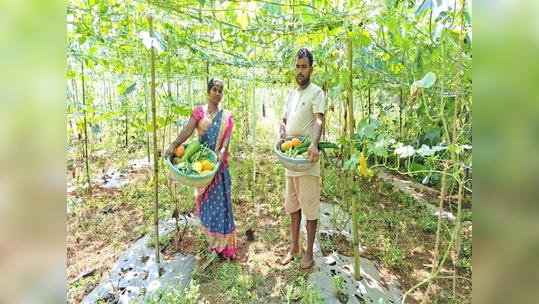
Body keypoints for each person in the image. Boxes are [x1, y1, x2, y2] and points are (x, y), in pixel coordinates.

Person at [164, 78, 237, 258]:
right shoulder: (198, 113)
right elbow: (188, 130)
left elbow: (227, 137)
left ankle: (224, 247)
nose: (217, 93)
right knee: (207, 205)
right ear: (208, 91)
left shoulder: (227, 115)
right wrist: (174, 145)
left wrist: (223, 151)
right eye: (214, 89)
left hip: (218, 164)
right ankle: (212, 242)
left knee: (222, 205)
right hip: (201, 163)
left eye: (220, 90)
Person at [280, 48, 326, 268]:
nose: (300, 71)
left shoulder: (316, 92)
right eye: (297, 66)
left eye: (304, 66)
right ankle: (294, 247)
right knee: (293, 204)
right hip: (291, 158)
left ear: (311, 68)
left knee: (309, 206)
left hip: (306, 158)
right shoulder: (291, 94)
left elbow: (318, 121)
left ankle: (309, 252)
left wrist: (314, 145)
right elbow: (284, 119)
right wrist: (282, 128)